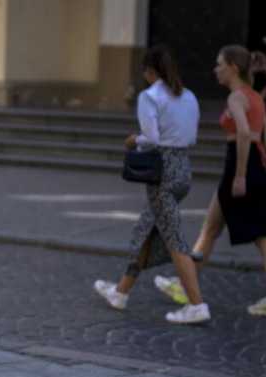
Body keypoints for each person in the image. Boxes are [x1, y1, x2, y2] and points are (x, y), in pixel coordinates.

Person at [155, 45, 266, 319]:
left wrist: (239, 175)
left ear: (233, 68)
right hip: (260, 167)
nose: (215, 69)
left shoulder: (237, 98)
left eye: (219, 64)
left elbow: (241, 132)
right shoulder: (256, 98)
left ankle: (186, 286)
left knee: (230, 231)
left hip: (241, 166)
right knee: (226, 229)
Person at [93, 46, 208, 325]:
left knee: (174, 239)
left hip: (163, 172)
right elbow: (191, 135)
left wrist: (134, 140)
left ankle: (197, 304)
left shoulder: (150, 96)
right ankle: (121, 292)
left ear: (149, 71)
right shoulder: (188, 95)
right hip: (183, 169)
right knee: (148, 228)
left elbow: (152, 136)